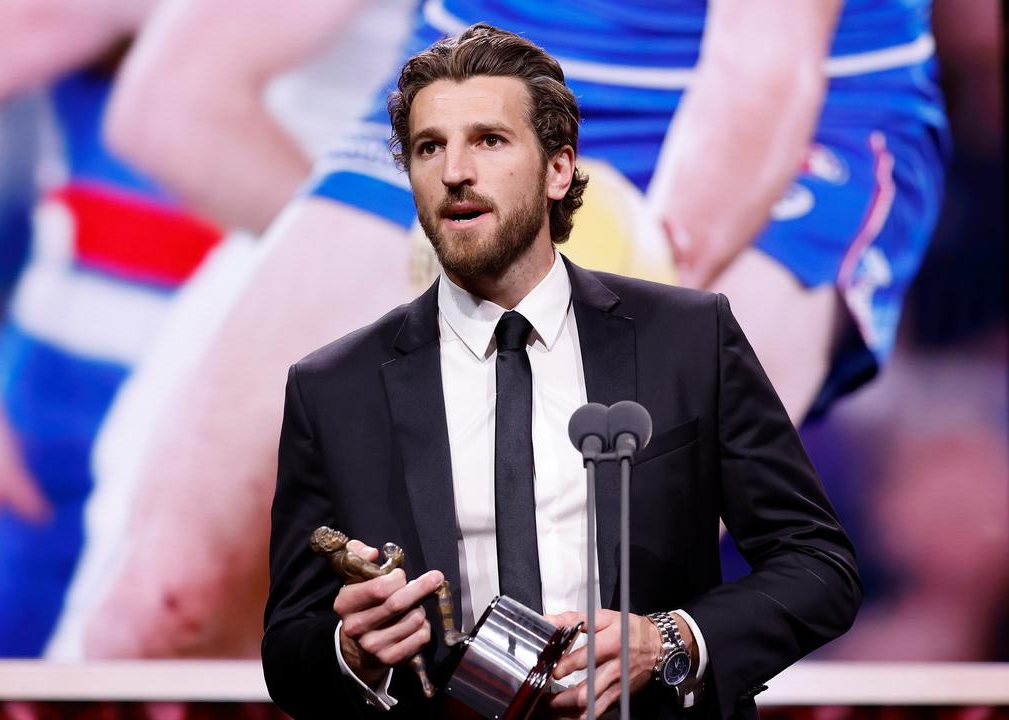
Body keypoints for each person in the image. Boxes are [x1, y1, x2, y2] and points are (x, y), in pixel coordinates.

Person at [69, 0, 941, 660]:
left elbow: (762, 73)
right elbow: (169, 101)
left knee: (537, 647)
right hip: (490, 59)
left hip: (804, 93)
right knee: (161, 599)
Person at [263, 24, 861, 720]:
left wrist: (668, 640)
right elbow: (288, 652)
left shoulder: (689, 339)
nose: (456, 170)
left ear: (557, 170)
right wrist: (352, 652)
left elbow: (819, 566)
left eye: (489, 140)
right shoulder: (333, 388)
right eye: (430, 147)